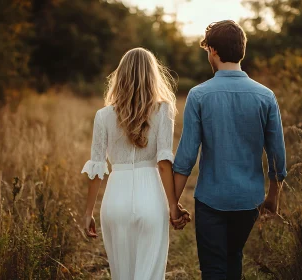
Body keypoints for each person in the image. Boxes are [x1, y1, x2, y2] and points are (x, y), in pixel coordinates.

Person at [172, 20, 287, 280]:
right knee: (233, 257)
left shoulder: (199, 95)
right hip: (249, 200)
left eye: (207, 51)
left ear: (212, 50)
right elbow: (277, 153)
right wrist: (273, 196)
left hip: (211, 200)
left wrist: (173, 203)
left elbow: (186, 157)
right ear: (242, 49)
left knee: (213, 269)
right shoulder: (265, 96)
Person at [81, 47, 190, 280]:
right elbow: (163, 162)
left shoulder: (103, 115)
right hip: (150, 197)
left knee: (121, 274)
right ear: (153, 75)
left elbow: (97, 168)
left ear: (120, 75)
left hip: (114, 201)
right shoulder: (163, 110)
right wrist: (173, 205)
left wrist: (88, 211)